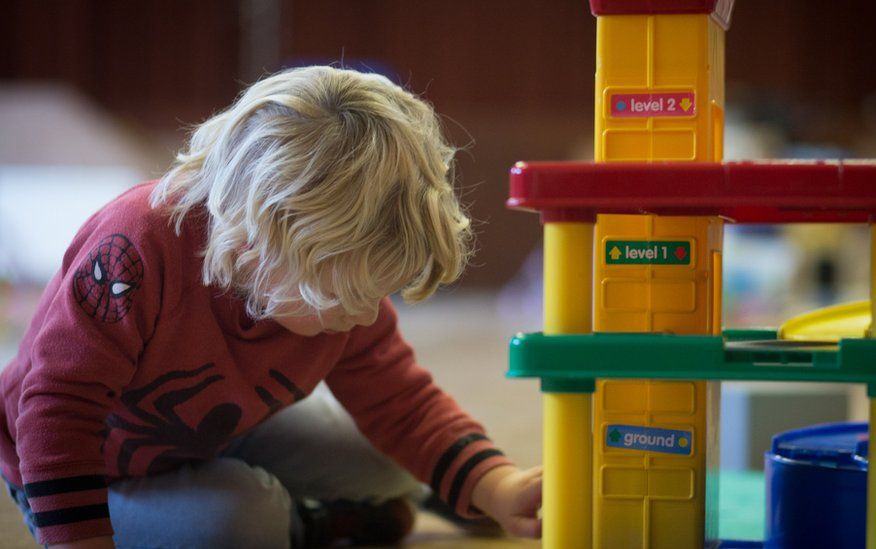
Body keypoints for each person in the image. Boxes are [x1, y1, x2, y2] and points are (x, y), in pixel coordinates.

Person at [0, 66, 542, 548]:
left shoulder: (330, 278)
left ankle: (427, 493)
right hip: (84, 471)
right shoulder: (134, 248)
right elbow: (57, 413)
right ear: (251, 246)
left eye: (375, 295)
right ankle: (310, 524)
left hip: (215, 432)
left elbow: (402, 403)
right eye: (343, 301)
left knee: (388, 461)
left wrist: (499, 486)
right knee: (238, 523)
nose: (362, 316)